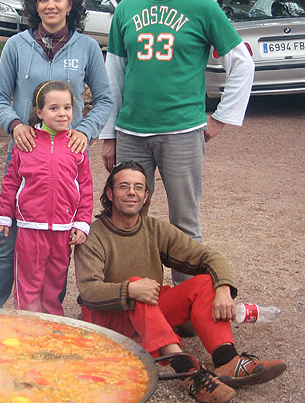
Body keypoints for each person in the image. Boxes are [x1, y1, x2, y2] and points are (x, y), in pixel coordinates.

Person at [99, 0, 254, 293]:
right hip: (132, 133)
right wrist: (108, 134)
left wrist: (219, 119)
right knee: (128, 218)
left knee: (184, 222)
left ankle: (188, 303)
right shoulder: (126, 9)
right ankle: (135, 298)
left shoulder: (202, 7)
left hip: (182, 132)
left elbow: (242, 63)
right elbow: (113, 76)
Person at [74, 162, 286, 403]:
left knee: (205, 283)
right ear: (110, 194)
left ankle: (228, 360)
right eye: (124, 186)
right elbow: (89, 290)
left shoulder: (154, 228)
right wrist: (131, 288)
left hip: (149, 312)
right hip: (109, 319)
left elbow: (209, 257)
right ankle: (187, 371)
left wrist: (223, 289)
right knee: (140, 287)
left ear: (146, 196)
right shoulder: (92, 234)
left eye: (138, 187)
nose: (131, 192)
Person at [0, 0, 113, 307]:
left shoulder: (86, 47)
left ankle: (51, 314)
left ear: (71, 3)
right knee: (10, 239)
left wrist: (85, 130)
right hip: (27, 149)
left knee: (58, 244)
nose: (50, 5)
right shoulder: (16, 46)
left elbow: (105, 99)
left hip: (68, 154)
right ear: (34, 5)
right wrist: (15, 125)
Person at [0, 80, 93, 315]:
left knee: (54, 284)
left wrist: (82, 223)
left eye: (67, 108)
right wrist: (4, 219)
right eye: (54, 108)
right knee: (28, 282)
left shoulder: (76, 146)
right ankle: (27, 330)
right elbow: (11, 184)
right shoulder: (25, 143)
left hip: (62, 229)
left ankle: (52, 330)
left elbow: (86, 188)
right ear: (39, 112)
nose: (62, 113)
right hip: (30, 227)